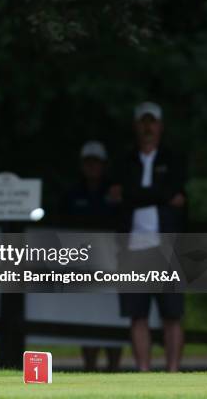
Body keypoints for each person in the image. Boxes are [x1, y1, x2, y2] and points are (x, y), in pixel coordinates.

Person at [110, 101, 187, 372]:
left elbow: (176, 190)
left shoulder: (174, 159)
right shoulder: (125, 161)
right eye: (143, 122)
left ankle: (173, 371)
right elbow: (119, 196)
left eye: (152, 121)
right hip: (132, 248)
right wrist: (163, 196)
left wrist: (133, 195)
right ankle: (144, 371)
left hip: (167, 247)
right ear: (136, 126)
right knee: (136, 314)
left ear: (160, 126)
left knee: (172, 314)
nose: (147, 127)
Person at [61, 140, 122, 372]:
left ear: (104, 165)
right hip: (84, 264)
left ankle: (114, 368)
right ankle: (89, 367)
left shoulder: (115, 191)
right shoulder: (72, 193)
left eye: (96, 162)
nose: (92, 167)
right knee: (87, 313)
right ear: (82, 165)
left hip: (112, 261)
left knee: (112, 314)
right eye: (88, 162)